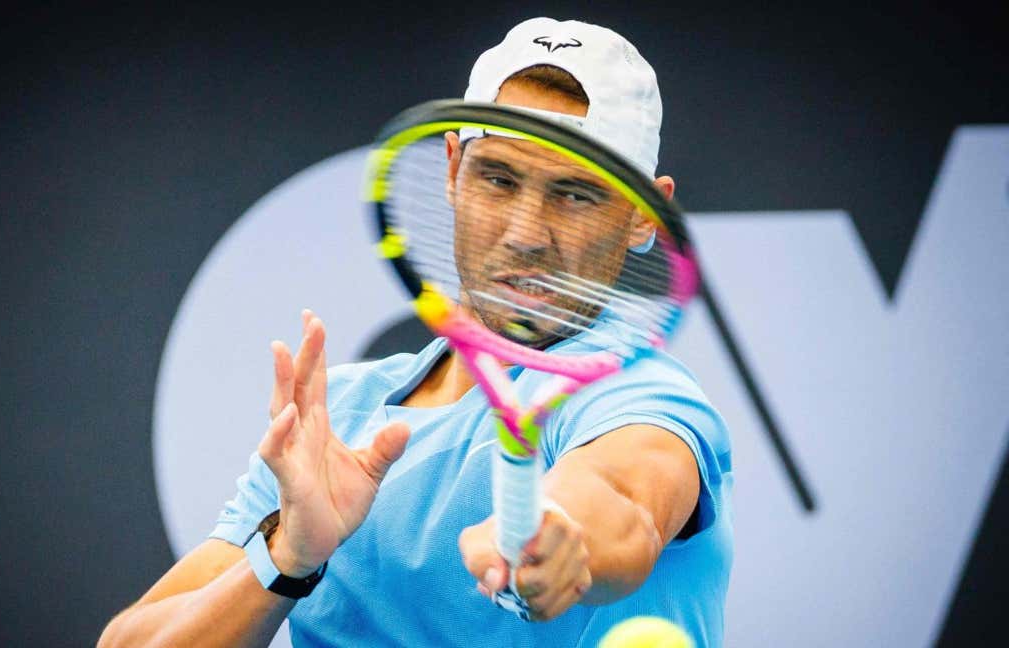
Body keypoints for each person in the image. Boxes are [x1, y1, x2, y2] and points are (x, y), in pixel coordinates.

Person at [99, 17, 732, 648]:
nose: (526, 234)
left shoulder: (642, 397)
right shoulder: (335, 422)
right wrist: (286, 555)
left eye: (575, 195)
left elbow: (623, 500)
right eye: (500, 180)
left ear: (643, 216)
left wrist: (551, 537)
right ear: (454, 167)